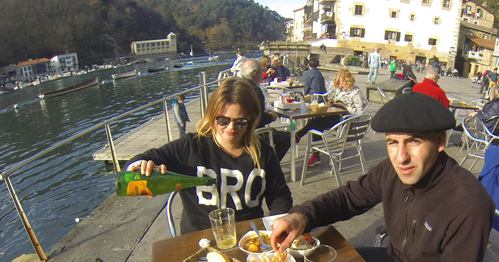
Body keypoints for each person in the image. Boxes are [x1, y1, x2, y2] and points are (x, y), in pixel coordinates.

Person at [270, 93, 495, 262]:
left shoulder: (470, 204)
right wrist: (302, 216)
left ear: (440, 141)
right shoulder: (391, 170)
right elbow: (348, 197)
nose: (400, 157)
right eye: (392, 142)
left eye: (413, 141)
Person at [127, 77, 293, 234]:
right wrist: (141, 167)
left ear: (252, 120)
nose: (231, 127)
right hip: (199, 240)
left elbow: (279, 195)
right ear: (212, 117)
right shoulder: (190, 147)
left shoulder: (263, 152)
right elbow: (136, 164)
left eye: (241, 122)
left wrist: (277, 222)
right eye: (223, 120)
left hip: (249, 238)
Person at [296, 68, 366, 167]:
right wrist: (332, 103)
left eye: (342, 83)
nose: (340, 86)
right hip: (335, 117)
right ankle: (313, 152)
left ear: (348, 80)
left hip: (346, 121)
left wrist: (345, 106)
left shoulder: (355, 91)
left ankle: (301, 138)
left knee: (316, 121)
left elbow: (360, 111)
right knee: (316, 121)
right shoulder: (340, 90)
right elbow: (336, 102)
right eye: (339, 84)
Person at [239, 59, 292, 162]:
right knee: (287, 137)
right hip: (255, 133)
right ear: (255, 73)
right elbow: (259, 119)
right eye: (261, 72)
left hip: (241, 130)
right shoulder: (255, 90)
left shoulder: (239, 85)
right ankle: (270, 165)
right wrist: (272, 116)